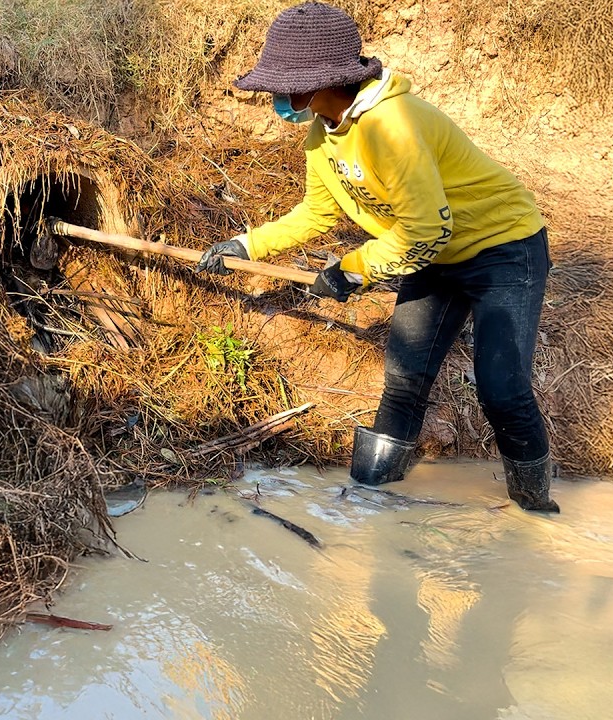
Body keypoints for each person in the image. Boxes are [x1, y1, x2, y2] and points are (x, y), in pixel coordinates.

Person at [195, 1, 559, 512]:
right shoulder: (322, 135)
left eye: (283, 86)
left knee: (502, 388)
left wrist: (354, 270)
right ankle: (370, 500)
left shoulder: (395, 124)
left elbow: (428, 227)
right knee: (405, 377)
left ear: (321, 82)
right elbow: (316, 212)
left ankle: (536, 511)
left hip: (502, 249)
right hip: (429, 256)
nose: (275, 97)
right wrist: (246, 245)